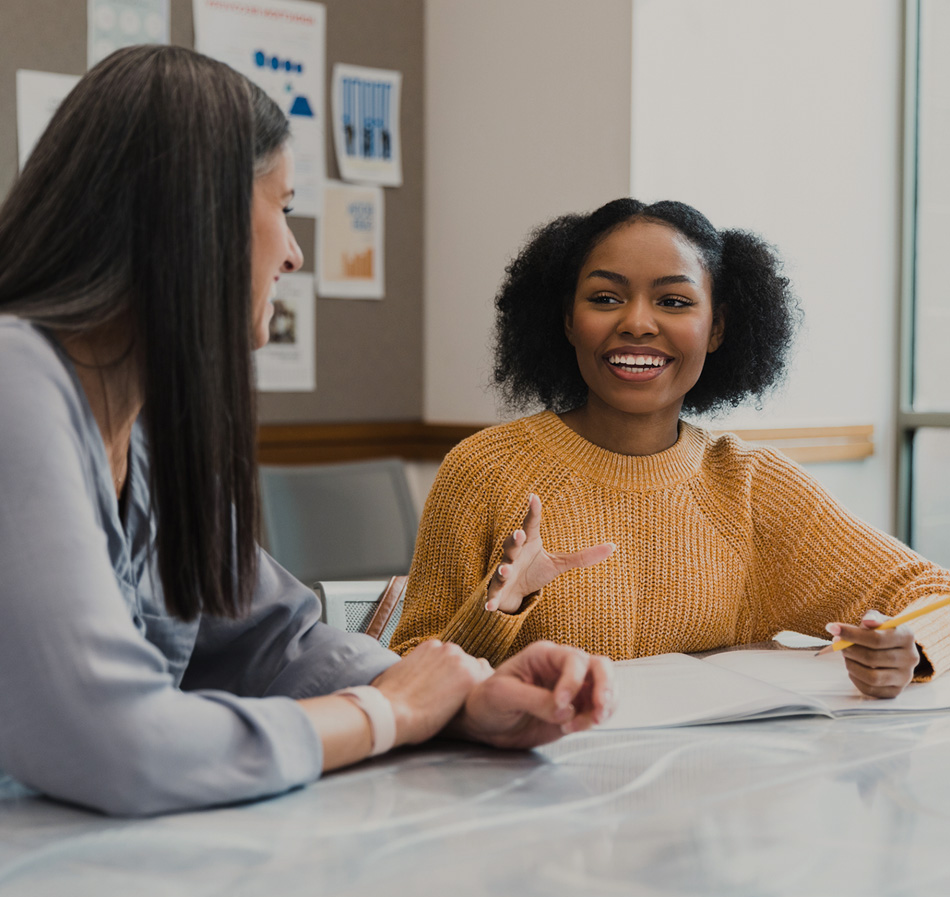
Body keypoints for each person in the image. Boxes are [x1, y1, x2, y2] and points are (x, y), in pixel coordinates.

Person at [0, 46, 614, 818]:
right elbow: (115, 744)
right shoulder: (13, 381)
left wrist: (463, 697)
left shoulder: (148, 429)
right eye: (284, 209)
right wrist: (387, 715)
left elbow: (270, 639)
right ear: (200, 217)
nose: (293, 253)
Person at [390, 198, 950, 699]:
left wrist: (906, 648)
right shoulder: (484, 470)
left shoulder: (750, 485)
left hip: (712, 798)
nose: (637, 323)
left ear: (717, 328)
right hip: (537, 794)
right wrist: (502, 607)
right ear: (566, 320)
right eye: (606, 297)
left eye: (675, 301)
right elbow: (404, 672)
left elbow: (936, 595)